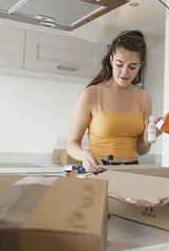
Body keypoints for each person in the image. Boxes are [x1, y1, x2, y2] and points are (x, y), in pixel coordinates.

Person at [66, 30, 160, 172]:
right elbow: (71, 144)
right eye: (119, 64)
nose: (125, 72)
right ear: (111, 60)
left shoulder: (144, 98)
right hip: (98, 170)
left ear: (140, 65)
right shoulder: (91, 94)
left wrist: (148, 137)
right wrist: (84, 155)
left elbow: (141, 150)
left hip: (132, 171)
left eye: (132, 66)